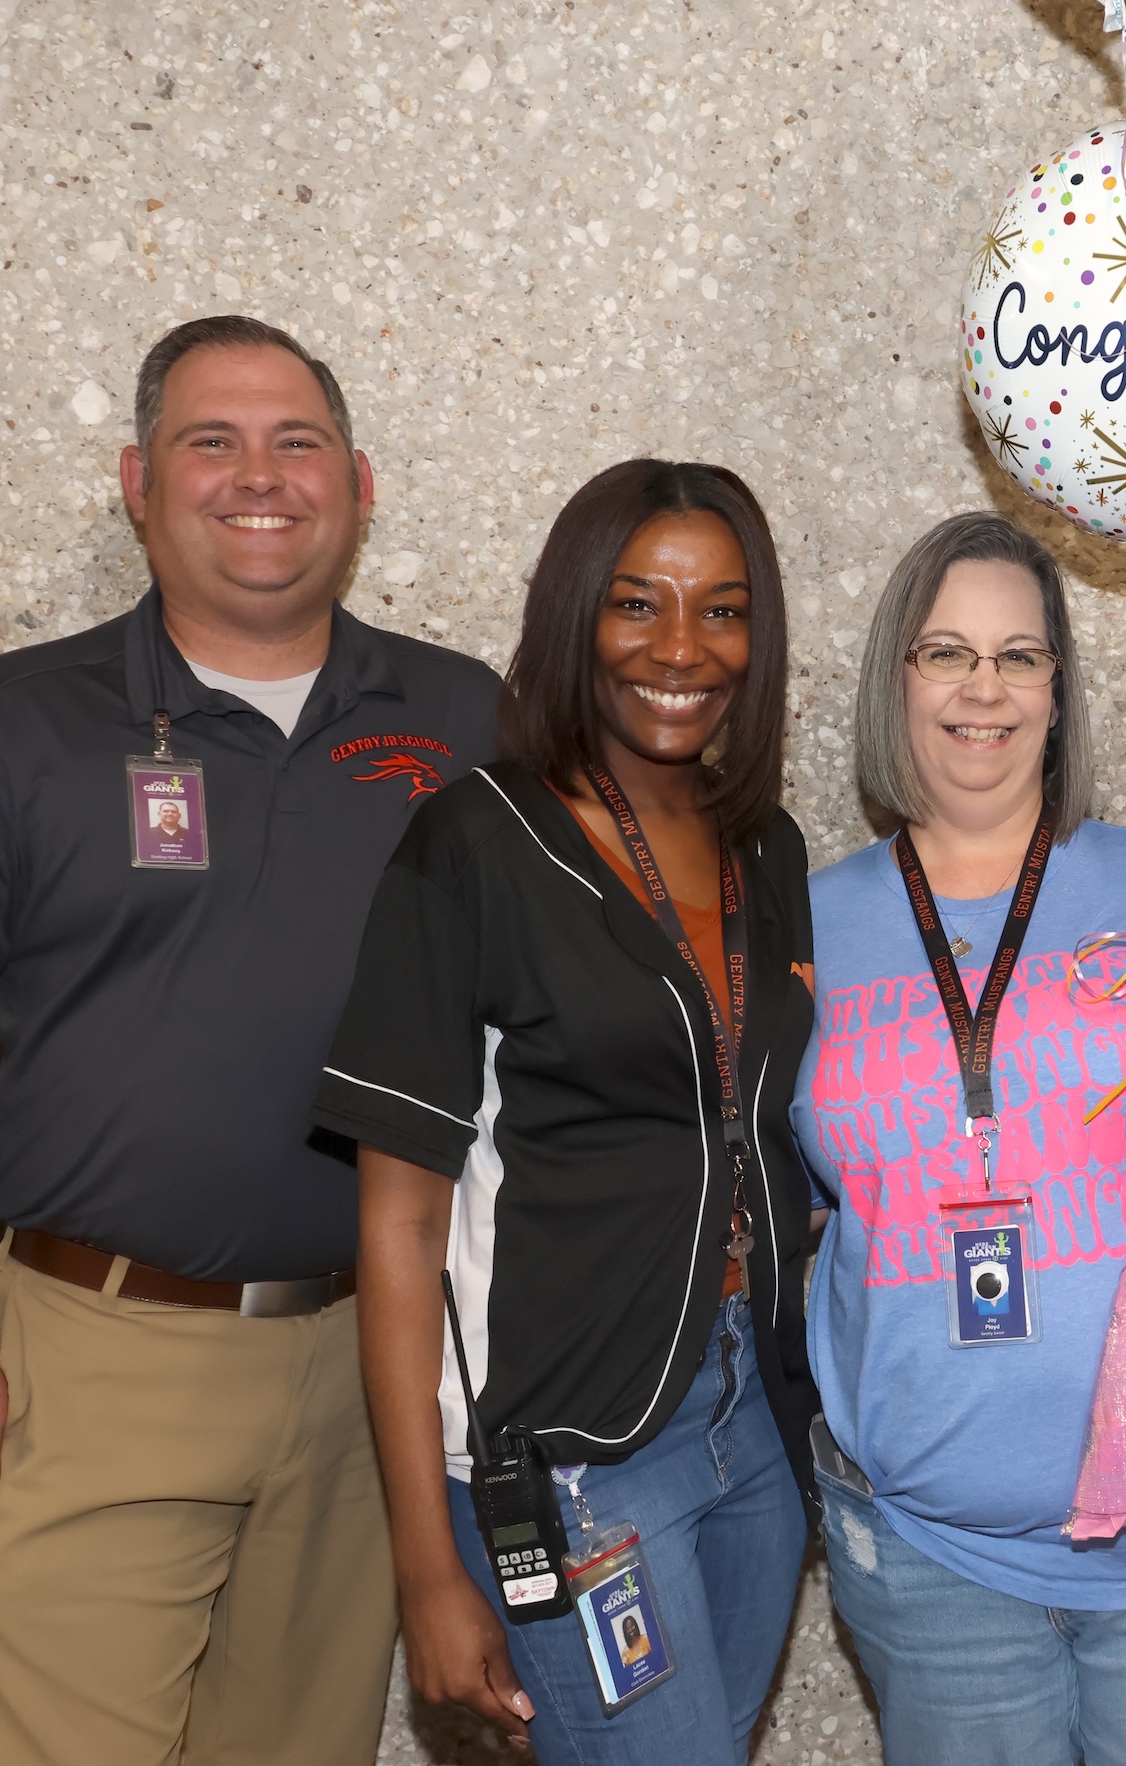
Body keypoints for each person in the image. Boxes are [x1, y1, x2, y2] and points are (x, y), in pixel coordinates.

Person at [0, 315, 500, 1765]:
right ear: (140, 480)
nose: (262, 475)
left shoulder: (460, 719)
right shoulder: (9, 727)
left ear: (359, 483)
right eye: (213, 441)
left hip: (368, 1361)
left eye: (297, 441)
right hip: (102, 1351)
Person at [791, 511, 1126, 1766]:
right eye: (945, 652)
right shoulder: (805, 923)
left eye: (1019, 655)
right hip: (933, 1554)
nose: (984, 688)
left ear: (1061, 688)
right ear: (896, 679)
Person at [314, 461, 820, 1764]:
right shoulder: (470, 846)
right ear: (575, 616)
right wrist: (428, 1561)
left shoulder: (770, 847)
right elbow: (400, 1222)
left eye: (723, 609)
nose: (680, 646)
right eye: (637, 603)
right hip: (579, 1459)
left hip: (752, 1428)